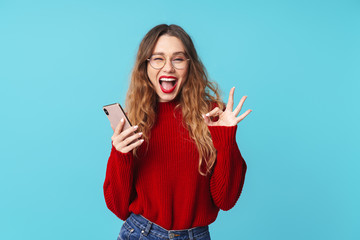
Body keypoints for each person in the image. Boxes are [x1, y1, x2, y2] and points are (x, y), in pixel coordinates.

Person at [103, 24, 252, 240]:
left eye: (178, 59)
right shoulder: (134, 120)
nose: (168, 68)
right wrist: (120, 155)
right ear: (145, 66)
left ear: (190, 66)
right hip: (140, 233)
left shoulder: (212, 116)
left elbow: (226, 200)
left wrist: (226, 139)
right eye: (158, 58)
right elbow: (118, 208)